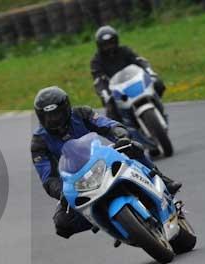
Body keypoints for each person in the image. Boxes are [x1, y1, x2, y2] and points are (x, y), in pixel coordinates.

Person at [30, 86, 181, 239]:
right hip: (75, 182)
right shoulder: (39, 142)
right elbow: (47, 177)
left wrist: (120, 136)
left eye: (58, 114)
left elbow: (107, 125)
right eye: (50, 116)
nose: (55, 119)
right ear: (41, 117)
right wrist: (61, 192)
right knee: (62, 224)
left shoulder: (82, 113)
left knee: (132, 147)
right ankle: (102, 220)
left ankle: (163, 180)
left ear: (67, 108)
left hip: (102, 160)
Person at [90, 25, 166, 121]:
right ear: (99, 45)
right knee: (110, 108)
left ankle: (159, 108)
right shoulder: (96, 61)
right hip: (115, 91)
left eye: (111, 42)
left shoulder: (125, 50)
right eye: (105, 45)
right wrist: (104, 93)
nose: (109, 47)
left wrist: (150, 72)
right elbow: (98, 79)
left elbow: (139, 61)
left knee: (157, 83)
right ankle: (121, 133)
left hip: (133, 81)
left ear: (116, 41)